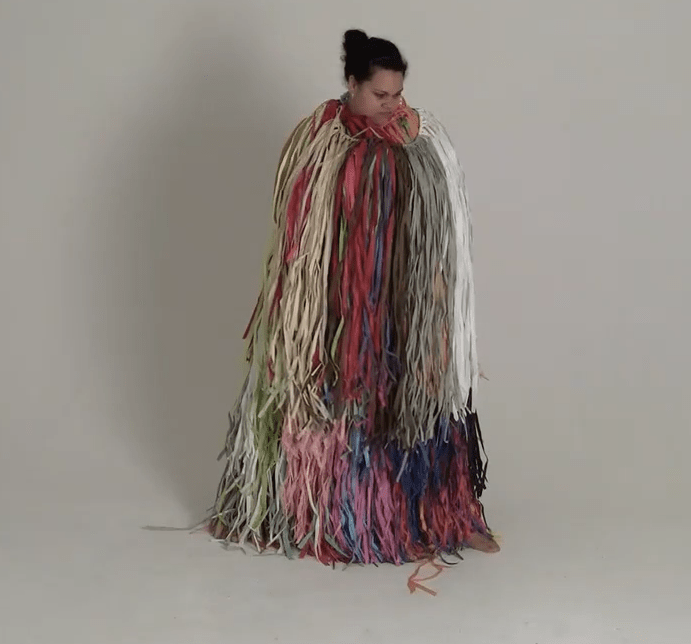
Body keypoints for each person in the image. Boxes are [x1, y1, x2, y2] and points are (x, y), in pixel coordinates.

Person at [208, 29, 499, 565]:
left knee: (413, 399)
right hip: (339, 311)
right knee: (353, 403)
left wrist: (432, 289)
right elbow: (298, 239)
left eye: (397, 95)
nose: (392, 106)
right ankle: (353, 521)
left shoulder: (418, 138)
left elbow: (441, 229)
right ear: (351, 84)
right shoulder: (320, 142)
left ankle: (446, 515)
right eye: (378, 95)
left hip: (407, 303)